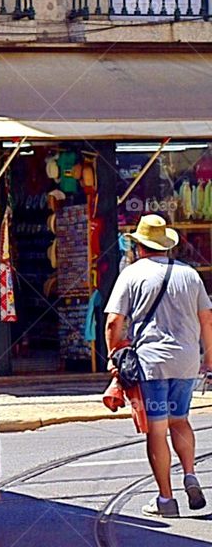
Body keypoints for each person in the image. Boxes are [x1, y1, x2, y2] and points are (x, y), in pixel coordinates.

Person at [105, 214, 212, 518]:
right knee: (181, 420)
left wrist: (116, 360)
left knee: (157, 429)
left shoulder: (132, 274)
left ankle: (166, 500)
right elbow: (207, 318)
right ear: (166, 245)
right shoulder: (190, 274)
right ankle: (190, 474)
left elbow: (114, 321)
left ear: (139, 246)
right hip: (187, 360)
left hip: (152, 363)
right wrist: (209, 358)